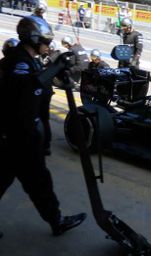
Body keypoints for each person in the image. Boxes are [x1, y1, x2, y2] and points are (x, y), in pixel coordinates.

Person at [0, 15, 86, 239]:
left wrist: (58, 70)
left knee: (27, 181)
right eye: (45, 40)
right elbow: (28, 86)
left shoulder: (31, 59)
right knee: (38, 181)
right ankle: (56, 221)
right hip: (17, 135)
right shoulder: (18, 60)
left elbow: (41, 83)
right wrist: (56, 66)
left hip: (22, 134)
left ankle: (56, 220)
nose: (47, 45)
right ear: (33, 38)